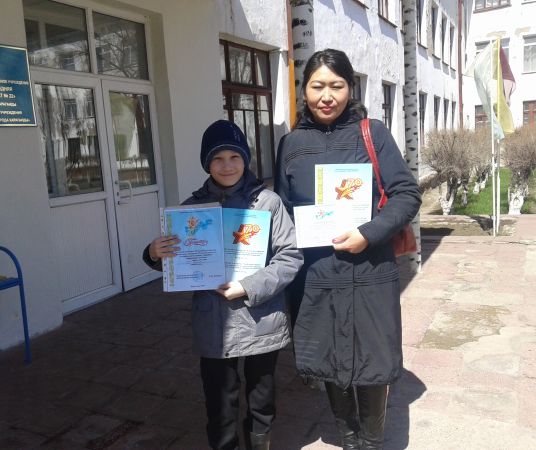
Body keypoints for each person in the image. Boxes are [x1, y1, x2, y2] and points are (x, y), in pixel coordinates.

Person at [274, 49, 421, 450]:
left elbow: (406, 195)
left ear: (349, 88)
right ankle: (348, 437)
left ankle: (370, 442)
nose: (327, 96)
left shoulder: (373, 133)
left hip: (369, 271)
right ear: (304, 91)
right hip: (316, 274)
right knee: (328, 361)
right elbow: (283, 209)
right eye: (317, 86)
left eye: (336, 86)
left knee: (372, 364)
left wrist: (368, 233)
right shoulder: (291, 143)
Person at [142, 119, 303, 450]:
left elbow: (290, 257)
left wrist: (248, 286)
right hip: (214, 324)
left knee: (261, 401)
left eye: (234, 156)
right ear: (206, 163)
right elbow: (178, 262)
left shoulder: (268, 203)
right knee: (219, 404)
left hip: (261, 320)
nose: (227, 165)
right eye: (217, 158)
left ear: (246, 159)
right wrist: (155, 254)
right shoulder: (191, 210)